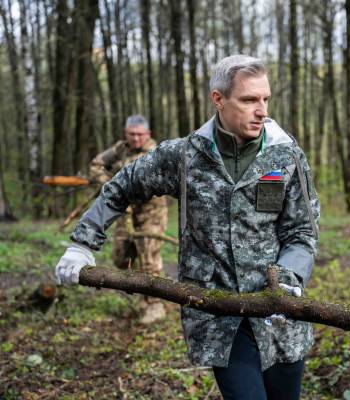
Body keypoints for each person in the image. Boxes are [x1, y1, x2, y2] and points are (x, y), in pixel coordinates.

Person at [55, 55, 320, 400]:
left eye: (265, 99)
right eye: (249, 100)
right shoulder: (185, 157)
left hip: (280, 316)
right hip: (219, 316)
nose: (262, 110)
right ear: (218, 99)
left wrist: (289, 278)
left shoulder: (286, 157)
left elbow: (303, 231)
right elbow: (122, 186)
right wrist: (82, 244)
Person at [89, 115, 169, 324]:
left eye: (139, 134)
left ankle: (154, 304)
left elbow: (159, 181)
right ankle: (138, 292)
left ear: (147, 134)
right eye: (131, 134)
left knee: (149, 258)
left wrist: (134, 189)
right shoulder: (120, 149)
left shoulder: (157, 152)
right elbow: (96, 165)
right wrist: (110, 185)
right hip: (125, 214)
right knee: (121, 256)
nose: (135, 139)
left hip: (151, 213)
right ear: (126, 134)